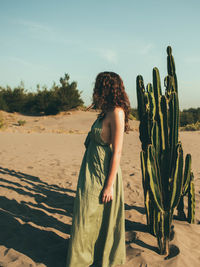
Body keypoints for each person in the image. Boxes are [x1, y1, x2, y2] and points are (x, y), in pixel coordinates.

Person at [66, 71, 130, 267]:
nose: (95, 89)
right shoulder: (105, 111)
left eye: (99, 85)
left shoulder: (117, 113)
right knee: (85, 215)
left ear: (107, 88)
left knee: (96, 215)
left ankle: (99, 258)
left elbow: (117, 152)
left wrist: (109, 186)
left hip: (104, 172)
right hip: (90, 169)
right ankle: (81, 259)